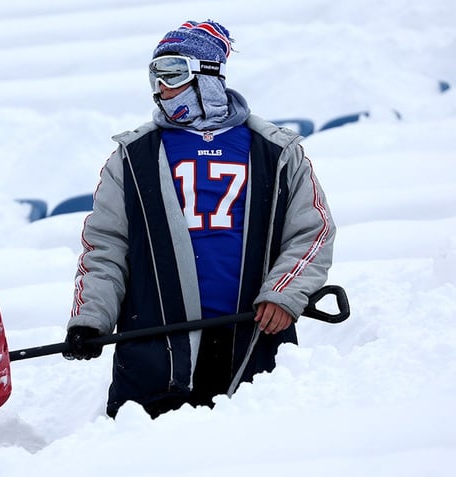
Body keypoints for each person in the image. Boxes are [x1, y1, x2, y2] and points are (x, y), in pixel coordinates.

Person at [63, 20, 336, 419]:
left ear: (208, 75)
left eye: (172, 72)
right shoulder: (131, 157)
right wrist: (90, 319)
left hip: (253, 336)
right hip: (156, 348)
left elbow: (313, 230)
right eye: (154, 75)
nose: (161, 87)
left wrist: (284, 293)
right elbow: (105, 247)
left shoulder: (276, 151)